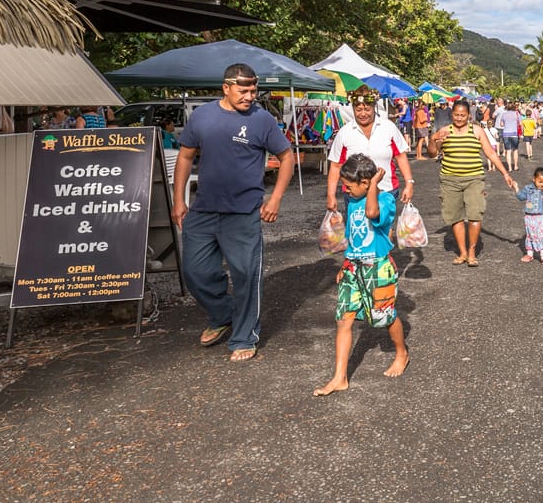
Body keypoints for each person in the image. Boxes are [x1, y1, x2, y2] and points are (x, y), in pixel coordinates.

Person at [171, 63, 294, 362]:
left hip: (243, 212)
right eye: (244, 90)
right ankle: (223, 313)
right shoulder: (201, 116)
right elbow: (186, 157)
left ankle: (243, 336)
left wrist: (275, 198)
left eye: (253, 90)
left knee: (245, 275)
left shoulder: (262, 120)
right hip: (203, 209)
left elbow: (287, 156)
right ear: (225, 87)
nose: (250, 96)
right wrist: (178, 200)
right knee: (195, 272)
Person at [313, 155, 408, 397]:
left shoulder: (384, 199)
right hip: (353, 267)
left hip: (377, 268)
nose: (344, 189)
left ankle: (401, 352)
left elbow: (372, 213)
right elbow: (353, 238)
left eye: (349, 185)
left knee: (384, 316)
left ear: (366, 183)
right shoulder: (353, 200)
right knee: (343, 319)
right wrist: (345, 264)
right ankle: (339, 377)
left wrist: (375, 185)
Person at [428, 100, 517, 266]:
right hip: (449, 180)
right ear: (451, 114)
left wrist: (505, 173)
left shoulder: (477, 131)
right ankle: (462, 252)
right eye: (456, 115)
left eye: (463, 115)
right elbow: (432, 154)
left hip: (474, 179)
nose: (459, 118)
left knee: (475, 214)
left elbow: (490, 152)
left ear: (468, 115)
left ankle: (471, 252)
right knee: (455, 217)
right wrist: (433, 139)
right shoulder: (445, 131)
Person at [326, 86, 414, 219]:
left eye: (367, 109)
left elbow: (401, 157)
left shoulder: (388, 128)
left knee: (385, 229)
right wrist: (331, 195)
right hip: (354, 194)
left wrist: (409, 183)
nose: (363, 114)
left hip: (386, 191)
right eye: (358, 110)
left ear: (374, 107)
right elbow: (336, 166)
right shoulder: (345, 133)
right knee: (358, 230)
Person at [516, 166, 543, 265]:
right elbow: (521, 197)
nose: (542, 184)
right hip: (529, 217)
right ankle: (529, 254)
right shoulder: (528, 188)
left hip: (541, 217)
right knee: (530, 236)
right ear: (534, 179)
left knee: (541, 236)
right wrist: (516, 188)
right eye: (540, 182)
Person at [497, 102, 522, 172]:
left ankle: (510, 167)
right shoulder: (517, 114)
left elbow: (501, 124)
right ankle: (516, 166)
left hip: (506, 134)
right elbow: (520, 123)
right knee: (515, 150)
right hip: (514, 133)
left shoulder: (504, 114)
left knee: (508, 151)